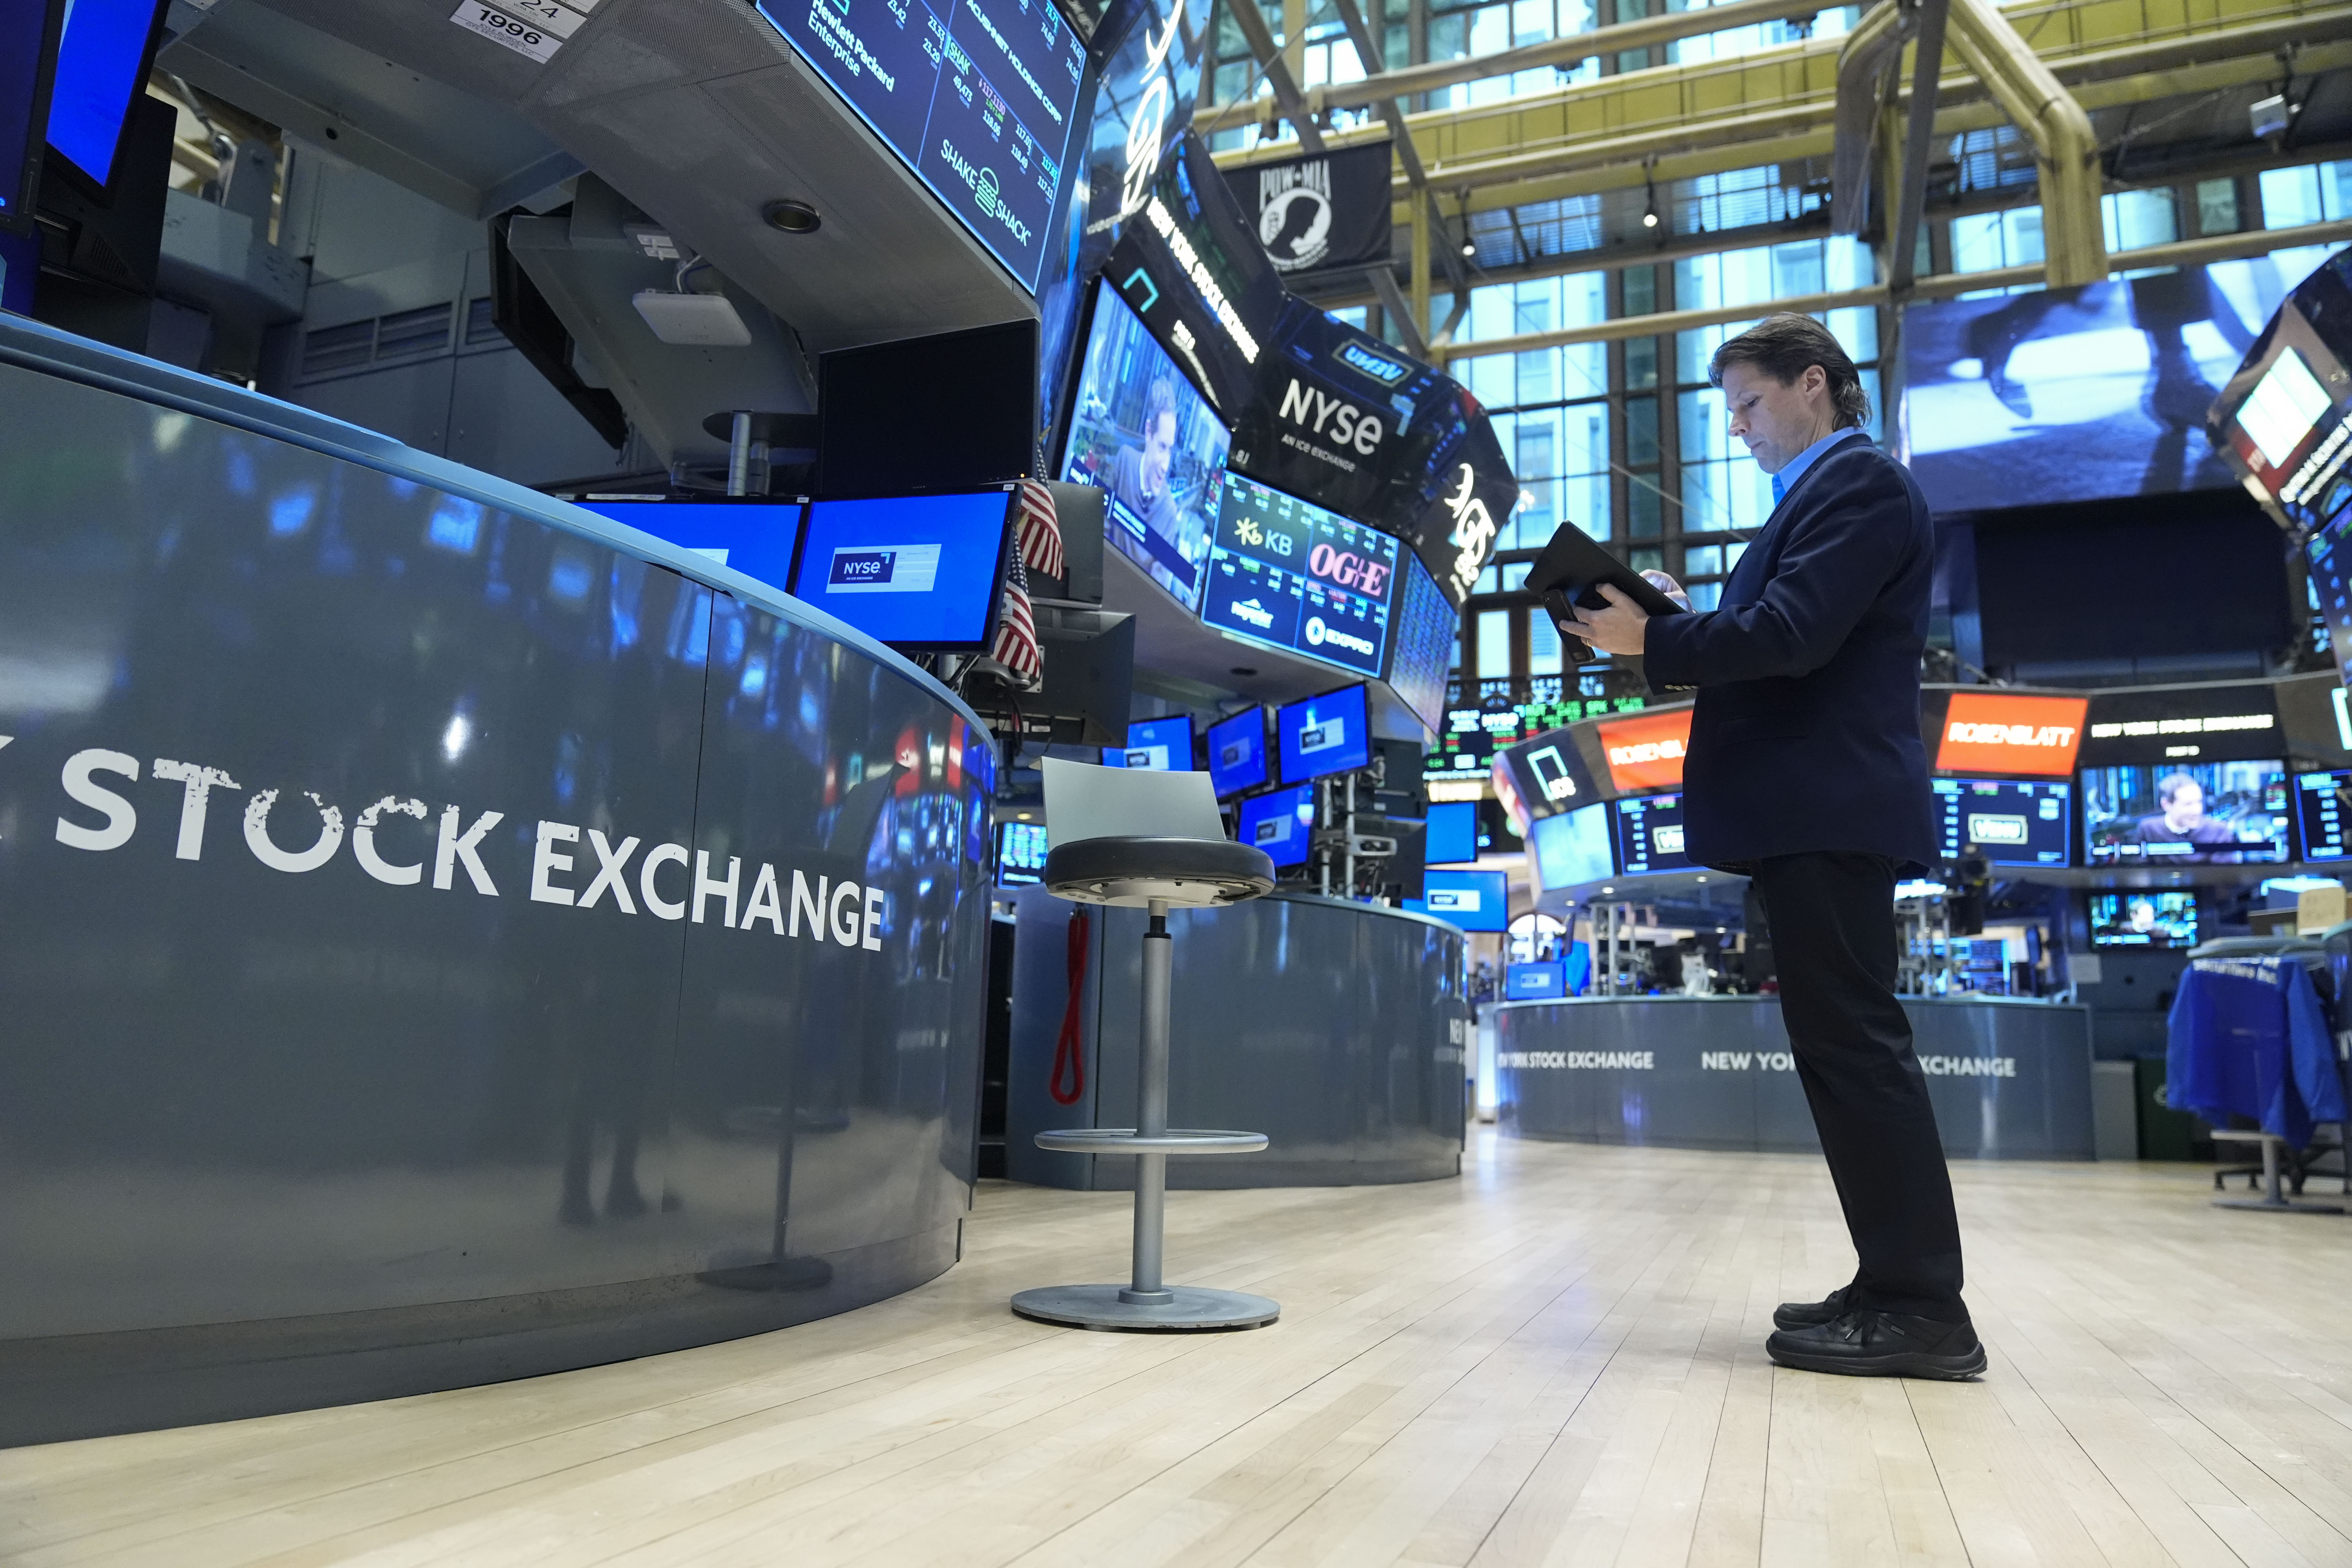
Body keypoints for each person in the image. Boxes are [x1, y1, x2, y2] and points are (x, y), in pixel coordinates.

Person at [1556, 312, 1985, 1381]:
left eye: (1749, 403)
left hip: (1829, 812)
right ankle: (1892, 1281)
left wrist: (1652, 637)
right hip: (1810, 818)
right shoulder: (1824, 500)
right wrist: (1681, 625)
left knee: (1858, 1053)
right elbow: (1784, 629)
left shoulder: (1862, 488)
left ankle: (1925, 1305)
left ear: (1814, 385)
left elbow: (1791, 637)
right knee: (1843, 1056)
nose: (1738, 428)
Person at [2127, 773, 2237, 850]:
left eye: (2199, 802)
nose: (2197, 811)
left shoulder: (2218, 831)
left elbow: (2224, 877)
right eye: (2188, 804)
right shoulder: (2148, 829)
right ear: (2166, 805)